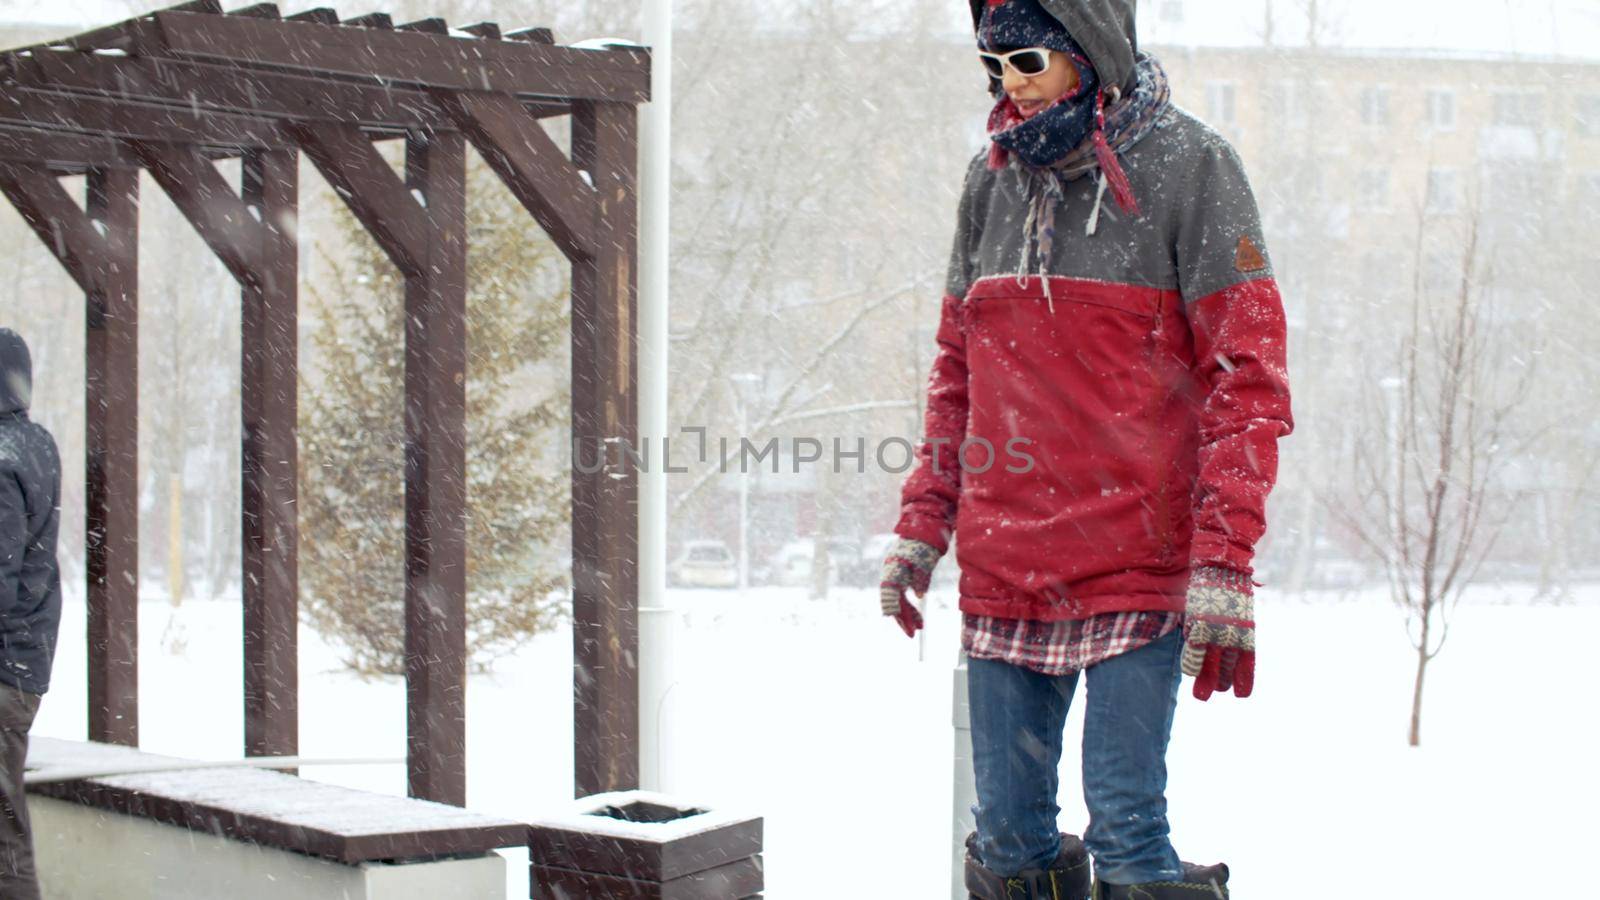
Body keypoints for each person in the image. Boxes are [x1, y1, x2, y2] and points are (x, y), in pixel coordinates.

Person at [878, 1, 1294, 897]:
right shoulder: (989, 182)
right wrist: (924, 522)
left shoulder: (1193, 166)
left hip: (1136, 567)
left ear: (1089, 49)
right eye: (993, 66)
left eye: (1026, 58)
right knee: (1007, 849)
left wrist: (1225, 560)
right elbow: (959, 375)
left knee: (1128, 835)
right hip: (1007, 565)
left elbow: (1248, 377)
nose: (1009, 86)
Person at [0, 327, 62, 900]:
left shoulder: (2, 457)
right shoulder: (34, 443)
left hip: (2, 668)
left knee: (2, 835)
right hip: (22, 665)